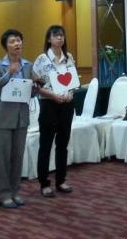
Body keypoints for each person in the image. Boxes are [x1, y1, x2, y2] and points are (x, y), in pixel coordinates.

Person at [0, 29, 34, 209]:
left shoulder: (28, 66)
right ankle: (4, 194)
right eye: (12, 41)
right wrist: (8, 73)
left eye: (19, 40)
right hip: (1, 119)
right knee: (2, 158)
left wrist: (37, 87)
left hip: (21, 118)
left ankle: (15, 191)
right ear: (6, 46)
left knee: (17, 157)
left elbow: (28, 91)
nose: (17, 44)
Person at [32, 24, 78, 197]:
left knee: (63, 144)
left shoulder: (68, 57)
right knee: (46, 144)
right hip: (49, 105)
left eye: (62, 35)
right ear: (49, 39)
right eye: (56, 35)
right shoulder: (42, 59)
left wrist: (70, 93)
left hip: (66, 105)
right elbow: (36, 87)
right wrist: (52, 95)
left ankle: (61, 180)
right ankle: (44, 183)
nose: (60, 38)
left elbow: (73, 82)